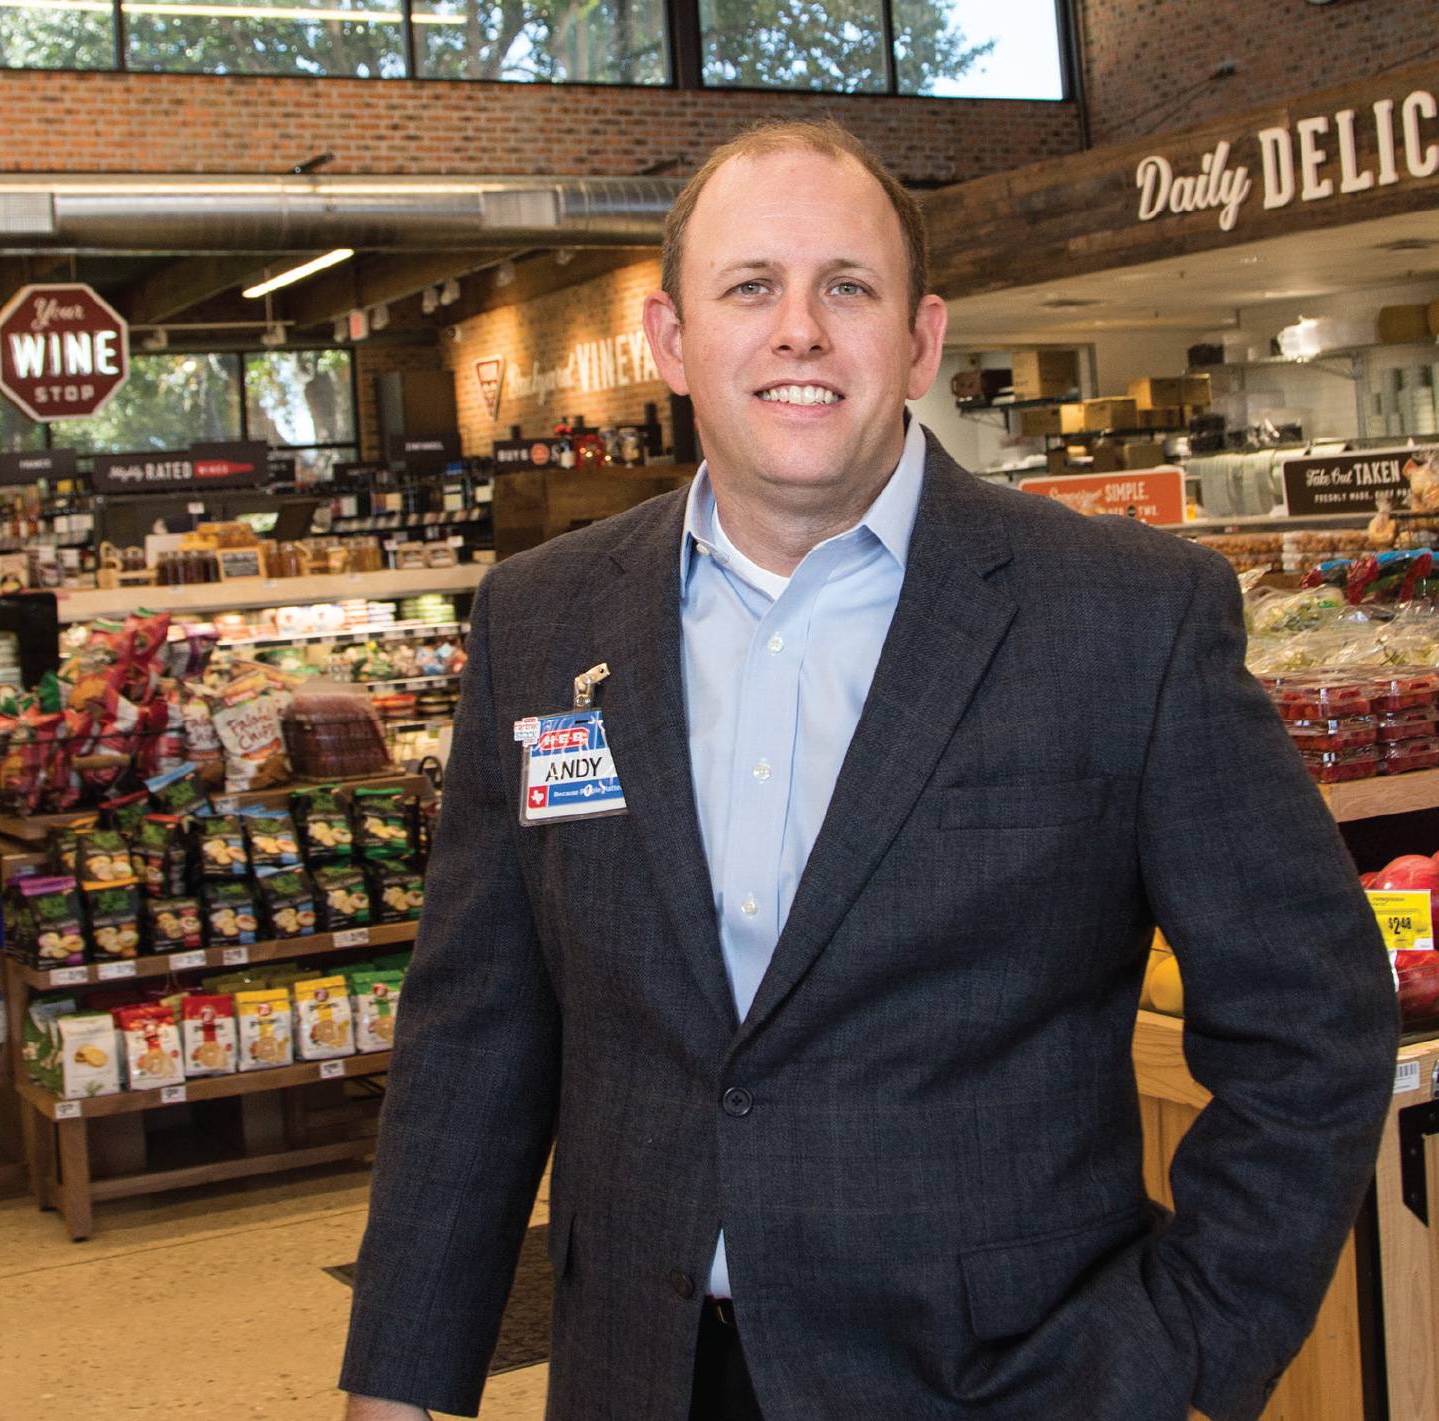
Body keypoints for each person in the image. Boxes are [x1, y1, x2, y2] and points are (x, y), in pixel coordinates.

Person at [340, 119, 1396, 1421]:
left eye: (846, 286)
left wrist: (1171, 1359)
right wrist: (400, 1380)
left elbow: (1313, 1021)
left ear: (918, 337)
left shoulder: (1122, 617)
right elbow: (475, 1036)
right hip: (636, 1377)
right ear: (673, 340)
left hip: (998, 1383)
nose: (798, 330)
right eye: (749, 287)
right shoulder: (542, 622)